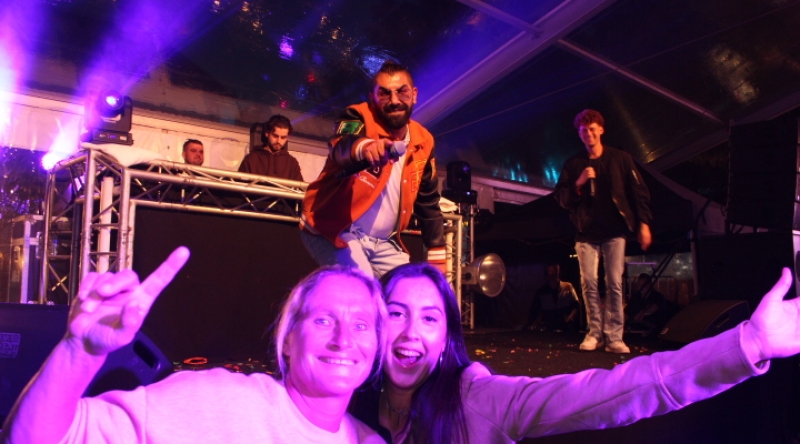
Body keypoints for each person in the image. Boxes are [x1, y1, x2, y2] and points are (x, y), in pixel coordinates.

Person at [350, 262, 800, 444]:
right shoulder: (352, 399)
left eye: (430, 318)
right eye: (396, 313)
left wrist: (747, 345)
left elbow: (613, 390)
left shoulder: (475, 400)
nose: (411, 332)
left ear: (447, 335)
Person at [0, 247, 387, 444]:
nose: (343, 340)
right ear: (287, 340)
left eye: (361, 324)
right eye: (323, 320)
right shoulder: (217, 400)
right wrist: (78, 351)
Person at [300, 61, 446, 278]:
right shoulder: (357, 115)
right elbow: (341, 144)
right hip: (336, 230)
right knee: (363, 288)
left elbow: (428, 203)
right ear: (373, 98)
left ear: (414, 95)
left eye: (402, 92)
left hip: (385, 243)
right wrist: (365, 147)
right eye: (384, 94)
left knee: (406, 290)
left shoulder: (424, 140)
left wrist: (437, 255)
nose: (394, 101)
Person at [554, 109, 652, 354]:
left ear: (601, 130)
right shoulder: (573, 164)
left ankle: (615, 337)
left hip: (615, 230)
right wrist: (578, 183)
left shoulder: (620, 158)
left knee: (614, 283)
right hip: (586, 231)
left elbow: (638, 191)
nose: (588, 134)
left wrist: (644, 223)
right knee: (589, 282)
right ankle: (594, 333)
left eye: (592, 129)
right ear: (579, 134)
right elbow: (562, 198)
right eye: (583, 130)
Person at [238, 114, 304, 182]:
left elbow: (300, 187)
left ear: (287, 138)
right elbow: (239, 185)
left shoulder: (292, 163)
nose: (278, 141)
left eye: (283, 137)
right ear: (267, 133)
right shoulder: (252, 159)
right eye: (275, 136)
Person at [524, 263, 580, 332]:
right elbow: (534, 311)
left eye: (555, 271)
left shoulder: (568, 287)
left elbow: (576, 305)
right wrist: (531, 324)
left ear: (559, 272)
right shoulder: (541, 292)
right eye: (551, 272)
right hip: (548, 329)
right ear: (547, 273)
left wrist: (571, 318)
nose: (553, 274)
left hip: (566, 328)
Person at [625, 272, 680, 337]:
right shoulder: (635, 297)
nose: (641, 287)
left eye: (644, 285)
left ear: (650, 285)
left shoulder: (657, 297)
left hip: (653, 329)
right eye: (639, 285)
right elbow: (627, 312)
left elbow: (654, 307)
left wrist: (643, 313)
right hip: (636, 329)